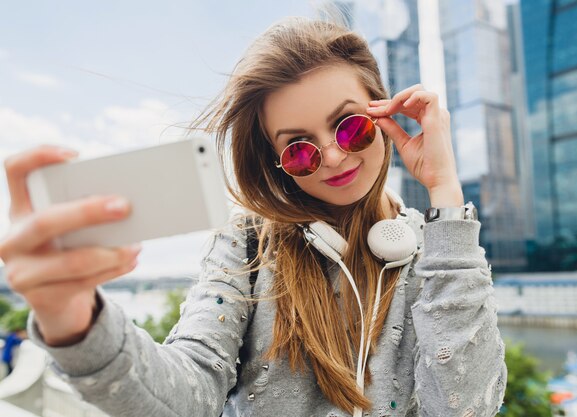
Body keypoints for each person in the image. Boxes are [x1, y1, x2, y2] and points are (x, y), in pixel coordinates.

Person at [0, 16, 507, 417]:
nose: (331, 156)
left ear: (383, 115)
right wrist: (73, 319)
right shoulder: (247, 243)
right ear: (277, 164)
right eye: (299, 150)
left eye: (350, 127)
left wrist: (444, 191)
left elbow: (467, 408)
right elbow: (188, 393)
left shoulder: (440, 249)